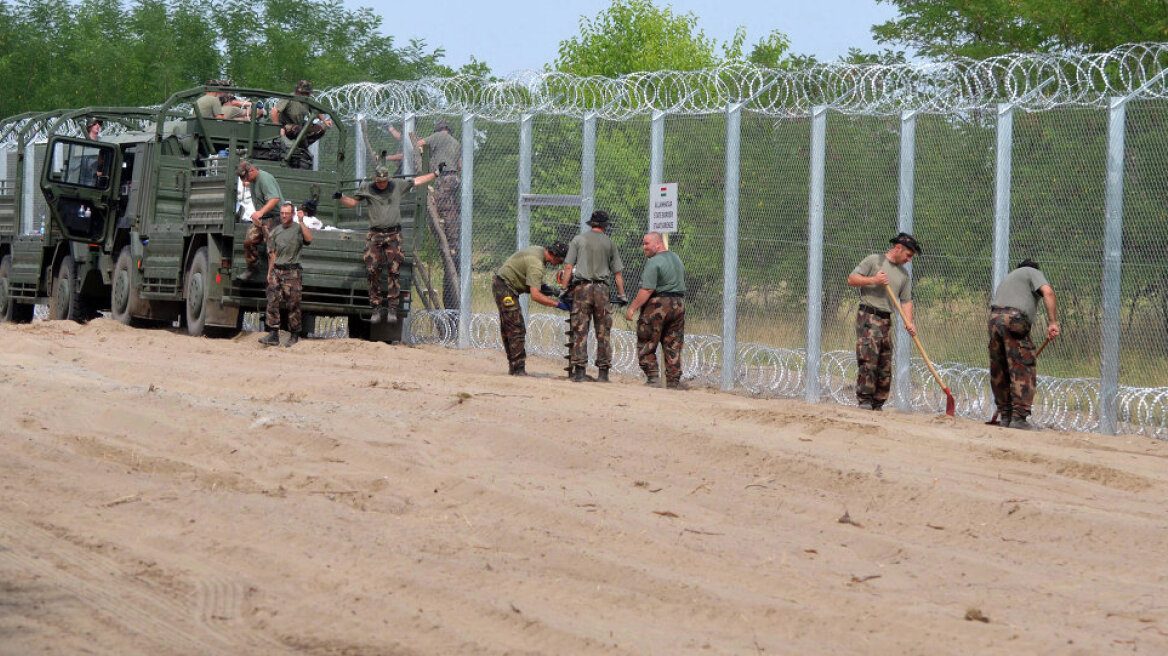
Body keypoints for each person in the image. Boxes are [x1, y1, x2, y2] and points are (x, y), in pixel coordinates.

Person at [336, 165, 437, 324]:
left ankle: (392, 308)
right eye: (379, 181)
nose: (382, 184)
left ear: (387, 179)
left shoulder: (397, 185)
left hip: (393, 234)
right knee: (371, 268)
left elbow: (416, 181)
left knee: (394, 268)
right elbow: (352, 203)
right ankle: (375, 307)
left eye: (384, 181)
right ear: (375, 179)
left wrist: (435, 173)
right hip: (375, 234)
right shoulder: (367, 188)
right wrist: (341, 197)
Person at [846, 232, 922, 411]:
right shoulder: (874, 261)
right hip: (869, 316)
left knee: (884, 362)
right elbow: (852, 279)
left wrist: (909, 322)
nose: (909, 260)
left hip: (886, 319)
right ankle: (865, 400)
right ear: (898, 248)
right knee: (869, 358)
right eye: (908, 255)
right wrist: (874, 280)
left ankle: (878, 402)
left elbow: (906, 301)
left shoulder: (903, 275)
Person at [989, 259, 1060, 430]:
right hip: (1014, 318)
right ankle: (1019, 418)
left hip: (994, 318)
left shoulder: (1010, 277)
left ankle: (1005, 415)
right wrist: (1052, 323)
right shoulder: (1031, 271)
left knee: (1000, 366)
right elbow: (1048, 293)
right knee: (1022, 365)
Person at [563, 210, 627, 383]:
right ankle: (604, 373)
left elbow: (569, 267)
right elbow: (618, 274)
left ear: (591, 224)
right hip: (601, 290)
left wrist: (563, 289)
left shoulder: (578, 240)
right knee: (603, 332)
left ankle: (580, 372)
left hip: (582, 289)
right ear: (605, 226)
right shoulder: (610, 243)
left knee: (580, 330)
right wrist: (622, 295)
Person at [494, 242, 570, 376]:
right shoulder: (537, 264)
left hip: (502, 285)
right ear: (554, 255)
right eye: (560, 260)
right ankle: (518, 369)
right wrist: (558, 305)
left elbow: (536, 282)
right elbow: (535, 295)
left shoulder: (539, 251)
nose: (560, 264)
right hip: (505, 288)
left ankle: (514, 367)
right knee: (516, 327)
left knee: (509, 326)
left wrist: (554, 292)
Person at [625, 232, 686, 388]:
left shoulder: (654, 262)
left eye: (647, 244)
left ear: (658, 243)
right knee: (673, 343)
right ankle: (673, 382)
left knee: (647, 340)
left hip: (659, 304)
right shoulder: (676, 259)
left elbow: (647, 289)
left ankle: (653, 378)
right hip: (678, 304)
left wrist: (632, 308)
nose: (644, 247)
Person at [417, 119, 462, 309]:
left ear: (438, 130)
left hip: (443, 178)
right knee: (450, 209)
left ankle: (444, 229)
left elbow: (419, 144)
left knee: (441, 206)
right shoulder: (456, 142)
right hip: (454, 178)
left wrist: (421, 154)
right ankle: (452, 239)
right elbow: (459, 165)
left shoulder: (437, 137)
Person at [259, 202, 314, 347]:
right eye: (282, 213)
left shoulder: (298, 229)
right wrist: (270, 272)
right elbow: (273, 254)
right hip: (277, 270)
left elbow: (309, 239)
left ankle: (295, 334)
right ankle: (273, 333)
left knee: (293, 304)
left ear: (293, 214)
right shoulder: (276, 231)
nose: (284, 216)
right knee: (272, 301)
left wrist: (302, 222)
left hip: (292, 272)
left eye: (287, 213)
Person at [236, 161, 282, 281]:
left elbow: (274, 198)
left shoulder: (264, 178)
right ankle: (253, 268)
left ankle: (273, 276)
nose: (246, 180)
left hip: (275, 217)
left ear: (251, 170)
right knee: (249, 241)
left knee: (271, 248)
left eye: (246, 177)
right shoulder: (253, 180)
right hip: (263, 218)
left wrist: (260, 213)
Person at [271, 80, 332, 147]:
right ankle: (297, 146)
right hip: (286, 126)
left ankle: (302, 146)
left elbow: (315, 111)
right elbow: (274, 112)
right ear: (297, 92)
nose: (304, 95)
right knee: (299, 129)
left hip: (300, 125)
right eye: (302, 93)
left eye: (306, 93)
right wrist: (277, 128)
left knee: (320, 129)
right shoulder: (289, 98)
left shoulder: (307, 100)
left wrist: (324, 121)